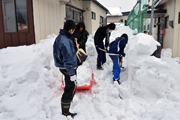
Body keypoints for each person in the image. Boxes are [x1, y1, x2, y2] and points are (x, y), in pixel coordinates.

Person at [53, 20, 77, 118]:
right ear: (71, 30)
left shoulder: (60, 38)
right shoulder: (66, 40)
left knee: (70, 87)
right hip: (67, 68)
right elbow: (67, 59)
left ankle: (65, 110)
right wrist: (72, 74)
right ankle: (65, 112)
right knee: (71, 88)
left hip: (63, 66)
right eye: (73, 30)